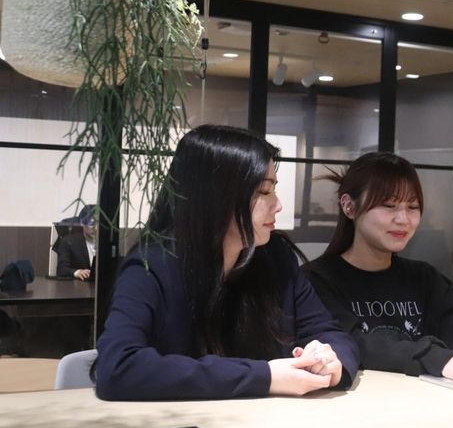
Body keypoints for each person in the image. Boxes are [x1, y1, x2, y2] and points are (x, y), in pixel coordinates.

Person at [95, 125, 359, 401]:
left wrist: (329, 360)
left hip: (268, 421)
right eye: (264, 191)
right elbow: (118, 367)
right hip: (178, 424)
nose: (278, 205)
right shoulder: (151, 268)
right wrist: (266, 377)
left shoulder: (275, 257)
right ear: (217, 196)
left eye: (274, 189)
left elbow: (331, 333)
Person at [306, 152, 453, 384]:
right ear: (349, 207)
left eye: (412, 207)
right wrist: (435, 358)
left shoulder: (425, 278)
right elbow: (352, 342)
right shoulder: (317, 280)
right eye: (389, 206)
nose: (403, 219)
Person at [55, 205, 96, 280]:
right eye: (92, 223)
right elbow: (61, 269)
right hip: (78, 284)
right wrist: (76, 272)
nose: (95, 227)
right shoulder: (68, 242)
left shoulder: (106, 243)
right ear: (82, 223)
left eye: (98, 223)